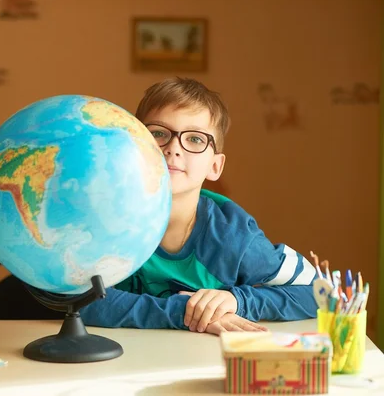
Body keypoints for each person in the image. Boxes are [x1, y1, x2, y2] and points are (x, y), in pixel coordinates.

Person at [79, 77, 318, 335]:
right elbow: (77, 300)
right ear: (136, 145)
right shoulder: (104, 219)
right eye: (158, 133)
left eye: (195, 139)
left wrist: (237, 301)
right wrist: (184, 312)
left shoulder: (234, 237)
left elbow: (320, 292)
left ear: (215, 166)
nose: (173, 148)